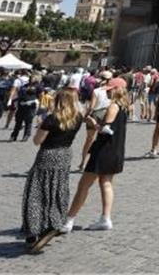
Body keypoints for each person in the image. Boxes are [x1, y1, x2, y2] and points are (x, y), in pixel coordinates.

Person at [61, 77, 128, 233]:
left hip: (104, 150)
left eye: (110, 90)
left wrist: (94, 123)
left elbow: (107, 130)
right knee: (106, 183)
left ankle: (69, 219)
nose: (108, 93)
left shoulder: (113, 106)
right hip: (116, 149)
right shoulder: (125, 107)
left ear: (116, 90)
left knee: (83, 185)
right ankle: (105, 218)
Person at [20, 88, 82, 254]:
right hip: (65, 154)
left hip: (48, 154)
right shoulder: (77, 117)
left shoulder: (52, 118)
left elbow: (37, 140)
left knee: (37, 191)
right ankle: (54, 221)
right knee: (58, 188)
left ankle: (35, 229)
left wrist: (41, 126)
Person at [11, 74, 43, 142]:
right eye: (31, 77)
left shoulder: (38, 86)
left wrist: (39, 105)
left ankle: (26, 135)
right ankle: (14, 135)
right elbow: (19, 94)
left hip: (31, 106)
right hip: (21, 105)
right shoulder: (24, 86)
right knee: (18, 121)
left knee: (28, 122)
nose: (31, 78)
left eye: (33, 77)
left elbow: (41, 96)